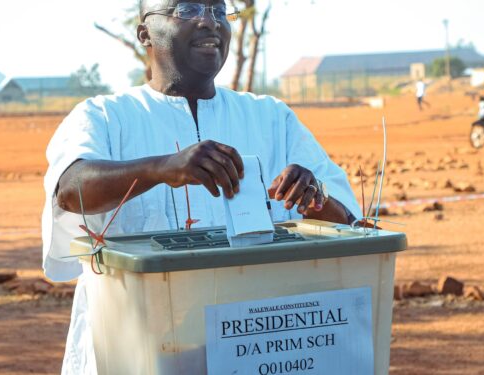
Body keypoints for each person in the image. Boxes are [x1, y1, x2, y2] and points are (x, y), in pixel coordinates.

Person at [41, 1, 363, 373]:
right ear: (144, 32)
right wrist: (161, 168)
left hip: (256, 348)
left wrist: (316, 196)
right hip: (137, 350)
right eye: (189, 8)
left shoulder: (271, 117)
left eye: (218, 10)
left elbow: (351, 225)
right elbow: (70, 189)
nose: (209, 21)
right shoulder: (104, 116)